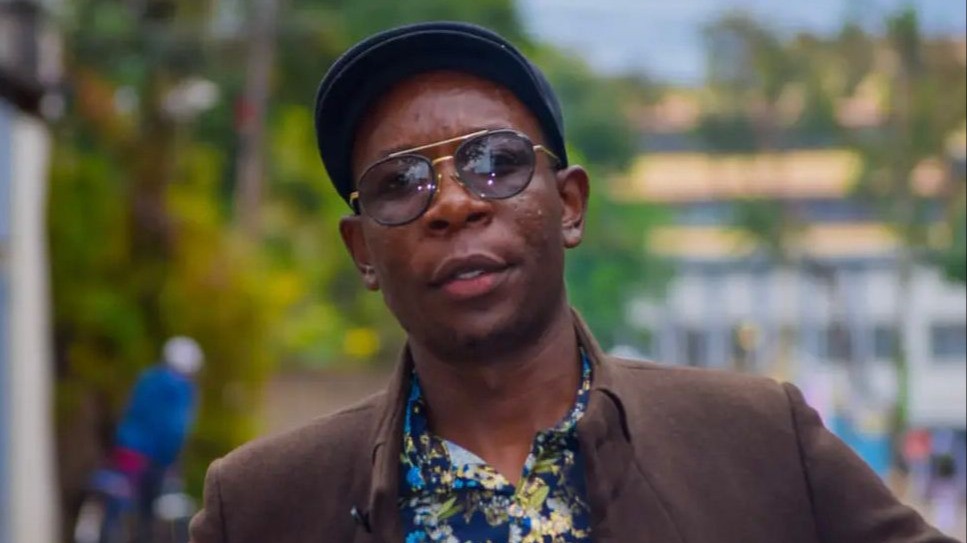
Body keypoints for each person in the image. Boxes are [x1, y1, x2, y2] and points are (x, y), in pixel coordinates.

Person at [189, 22, 958, 543]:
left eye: (495, 162)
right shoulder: (261, 505)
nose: (453, 204)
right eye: (399, 183)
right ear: (361, 249)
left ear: (569, 204)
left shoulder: (758, 440)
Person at [92, 336, 203, 542]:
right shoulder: (181, 389)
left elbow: (131, 412)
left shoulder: (149, 378)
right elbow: (175, 429)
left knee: (121, 501)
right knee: (145, 514)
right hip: (152, 458)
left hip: (127, 450)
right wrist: (170, 460)